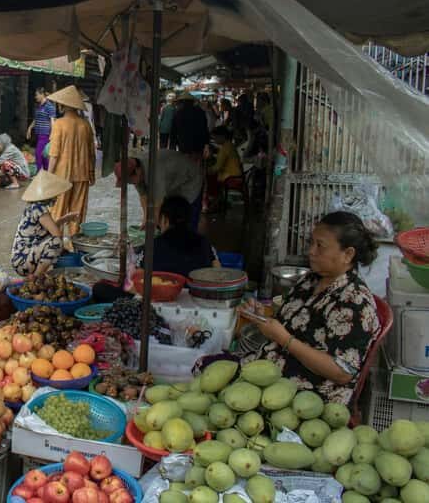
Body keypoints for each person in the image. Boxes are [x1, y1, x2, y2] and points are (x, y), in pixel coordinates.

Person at [242, 211, 380, 405]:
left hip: (306, 396)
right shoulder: (310, 280)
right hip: (270, 372)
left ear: (347, 254)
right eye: (311, 243)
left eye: (320, 246)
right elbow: (294, 324)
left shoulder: (354, 302)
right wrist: (262, 317)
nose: (311, 251)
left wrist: (283, 339)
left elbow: (342, 373)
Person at [47, 85, 96, 237]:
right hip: (82, 174)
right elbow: (92, 153)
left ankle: (56, 242)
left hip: (62, 176)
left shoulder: (59, 124)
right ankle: (75, 242)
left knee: (58, 211)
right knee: (77, 212)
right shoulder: (85, 125)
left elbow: (54, 154)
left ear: (63, 105)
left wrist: (48, 175)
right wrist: (92, 173)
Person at [10, 171, 79, 277]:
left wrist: (65, 218)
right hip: (22, 262)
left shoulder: (33, 205)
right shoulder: (39, 208)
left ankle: (37, 275)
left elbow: (49, 228)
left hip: (21, 258)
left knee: (56, 242)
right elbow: (56, 234)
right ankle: (36, 278)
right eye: (55, 195)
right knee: (56, 242)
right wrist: (60, 249)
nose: (56, 198)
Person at [117, 148, 204, 230]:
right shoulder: (135, 168)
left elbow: (158, 204)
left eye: (128, 180)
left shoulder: (155, 172)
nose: (129, 183)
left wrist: (153, 224)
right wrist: (145, 218)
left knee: (185, 219)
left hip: (190, 181)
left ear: (137, 171)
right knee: (166, 218)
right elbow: (143, 196)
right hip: (173, 183)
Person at [137, 196, 220, 277]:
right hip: (198, 286)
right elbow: (218, 271)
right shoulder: (204, 243)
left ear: (165, 219)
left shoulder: (151, 246)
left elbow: (138, 274)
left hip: (162, 286)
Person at [205, 126, 243, 212]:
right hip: (234, 175)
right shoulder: (229, 145)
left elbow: (217, 167)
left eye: (215, 138)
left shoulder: (225, 148)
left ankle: (214, 203)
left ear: (222, 136)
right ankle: (216, 202)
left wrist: (206, 171)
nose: (214, 140)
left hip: (232, 177)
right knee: (211, 176)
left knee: (209, 178)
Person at [26, 87, 57, 171]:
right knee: (43, 156)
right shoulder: (39, 106)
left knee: (38, 154)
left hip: (45, 135)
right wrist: (30, 128)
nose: (35, 97)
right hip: (39, 135)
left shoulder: (50, 106)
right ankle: (46, 173)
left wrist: (53, 135)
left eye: (36, 95)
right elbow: (36, 119)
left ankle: (39, 173)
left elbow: (52, 122)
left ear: (42, 94)